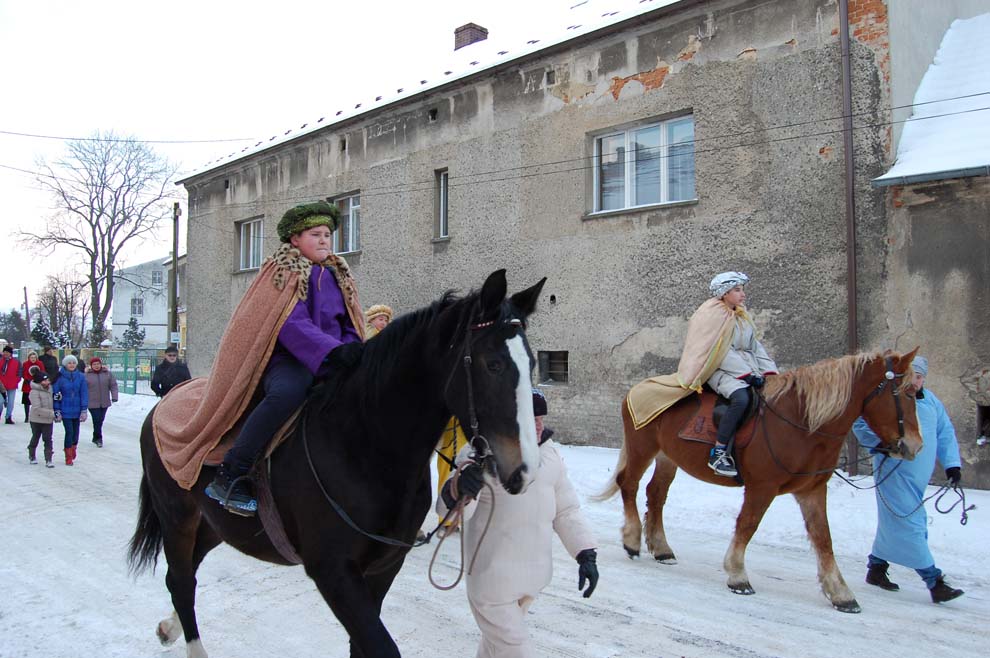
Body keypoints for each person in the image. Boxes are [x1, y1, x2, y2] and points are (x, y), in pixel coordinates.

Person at [204, 201, 365, 516]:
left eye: (327, 235)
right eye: (315, 234)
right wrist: (333, 352)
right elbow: (290, 323)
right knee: (289, 392)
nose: (323, 240)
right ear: (295, 239)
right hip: (287, 359)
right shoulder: (281, 272)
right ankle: (232, 471)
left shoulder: (336, 275)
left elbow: (349, 321)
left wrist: (352, 349)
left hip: (331, 357)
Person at [438, 389, 599, 658]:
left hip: (531, 582)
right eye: (529, 417)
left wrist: (586, 553)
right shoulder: (480, 456)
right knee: (517, 651)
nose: (537, 425)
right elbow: (449, 514)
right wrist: (458, 489)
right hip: (492, 584)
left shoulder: (550, 457)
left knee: (494, 650)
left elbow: (567, 510)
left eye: (540, 418)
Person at [852, 355, 965, 604]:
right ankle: (934, 581)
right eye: (913, 375)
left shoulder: (932, 401)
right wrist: (880, 443)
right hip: (893, 470)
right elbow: (861, 423)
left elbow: (945, 432)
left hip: (918, 478)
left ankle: (876, 568)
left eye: (920, 376)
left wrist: (952, 465)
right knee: (908, 522)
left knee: (901, 520)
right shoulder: (891, 398)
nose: (916, 381)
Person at [693, 272, 777, 477]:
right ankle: (719, 451)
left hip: (745, 368)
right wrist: (746, 375)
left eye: (742, 289)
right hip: (719, 369)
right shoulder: (714, 317)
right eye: (737, 290)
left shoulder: (741, 317)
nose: (743, 294)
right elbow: (720, 350)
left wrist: (770, 372)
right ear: (724, 293)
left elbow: (754, 347)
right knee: (742, 397)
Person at [52, 354, 88, 466]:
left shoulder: (81, 377)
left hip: (77, 409)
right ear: (65, 364)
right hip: (65, 409)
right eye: (69, 363)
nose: (71, 365)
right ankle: (68, 456)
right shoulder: (59, 377)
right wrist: (57, 410)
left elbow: (84, 393)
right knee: (69, 432)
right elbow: (56, 394)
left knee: (76, 433)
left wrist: (84, 409)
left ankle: (73, 447)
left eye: (73, 363)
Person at [85, 357, 118, 448]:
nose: (96, 366)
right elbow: (82, 388)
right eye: (94, 364)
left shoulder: (107, 374)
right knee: (97, 420)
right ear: (91, 366)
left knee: (100, 420)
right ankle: (99, 439)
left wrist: (114, 396)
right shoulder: (87, 375)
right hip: (92, 402)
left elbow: (113, 385)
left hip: (104, 401)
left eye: (98, 364)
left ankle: (95, 436)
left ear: (101, 364)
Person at [27, 366, 56, 468]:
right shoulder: (34, 392)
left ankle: (48, 459)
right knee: (36, 437)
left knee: (48, 438)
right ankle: (32, 454)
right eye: (45, 380)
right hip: (36, 420)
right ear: (39, 381)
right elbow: (36, 409)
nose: (47, 382)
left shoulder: (50, 389)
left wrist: (57, 398)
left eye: (48, 380)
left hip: (48, 420)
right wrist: (52, 414)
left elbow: (52, 401)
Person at [20, 350, 45, 422]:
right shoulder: (25, 364)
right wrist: (27, 380)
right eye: (31, 357)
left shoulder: (40, 363)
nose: (33, 359)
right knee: (27, 402)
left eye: (34, 357)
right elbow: (24, 373)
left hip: (38, 384)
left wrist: (39, 380)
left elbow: (42, 372)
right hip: (27, 385)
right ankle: (27, 416)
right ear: (29, 358)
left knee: (38, 402)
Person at [0, 345, 22, 424]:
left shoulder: (16, 362)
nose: (5, 353)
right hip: (1, 385)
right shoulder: (0, 361)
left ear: (10, 353)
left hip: (12, 385)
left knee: (11, 402)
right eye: (4, 352)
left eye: (7, 352)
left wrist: (17, 380)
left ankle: (8, 417)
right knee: (1, 401)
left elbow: (19, 373)